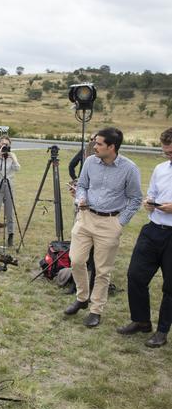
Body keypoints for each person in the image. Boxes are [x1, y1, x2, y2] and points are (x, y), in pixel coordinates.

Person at [64, 127, 142, 328]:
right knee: (76, 260)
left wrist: (119, 223)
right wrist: (81, 198)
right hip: (85, 218)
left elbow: (135, 199)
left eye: (99, 144)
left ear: (112, 147)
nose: (94, 146)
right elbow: (82, 185)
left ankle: (95, 309)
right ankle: (82, 298)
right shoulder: (90, 161)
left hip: (110, 223)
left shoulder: (129, 168)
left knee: (102, 270)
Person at [117, 128, 172, 347]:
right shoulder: (160, 169)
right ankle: (141, 321)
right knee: (136, 276)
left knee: (170, 287)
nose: (168, 155)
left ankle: (162, 330)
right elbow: (153, 193)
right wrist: (150, 202)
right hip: (153, 229)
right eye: (166, 151)